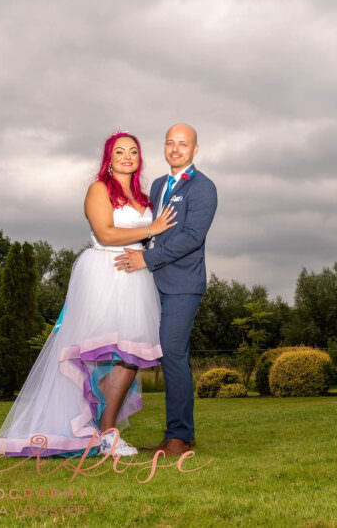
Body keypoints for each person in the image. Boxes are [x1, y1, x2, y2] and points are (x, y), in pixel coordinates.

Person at [0, 132, 176, 458]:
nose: (127, 156)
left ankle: (108, 432)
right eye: (119, 151)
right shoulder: (99, 189)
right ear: (108, 157)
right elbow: (105, 234)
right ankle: (83, 425)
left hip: (135, 275)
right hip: (103, 272)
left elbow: (153, 239)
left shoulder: (144, 199)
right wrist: (152, 229)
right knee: (90, 349)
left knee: (131, 354)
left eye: (133, 151)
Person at [115, 123, 217, 458]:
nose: (175, 149)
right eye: (170, 143)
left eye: (183, 144)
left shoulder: (203, 188)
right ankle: (168, 433)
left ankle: (180, 438)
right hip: (151, 283)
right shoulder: (158, 185)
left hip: (183, 285)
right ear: (164, 147)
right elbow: (150, 230)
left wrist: (147, 258)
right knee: (145, 353)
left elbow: (191, 238)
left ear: (195, 150)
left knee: (173, 355)